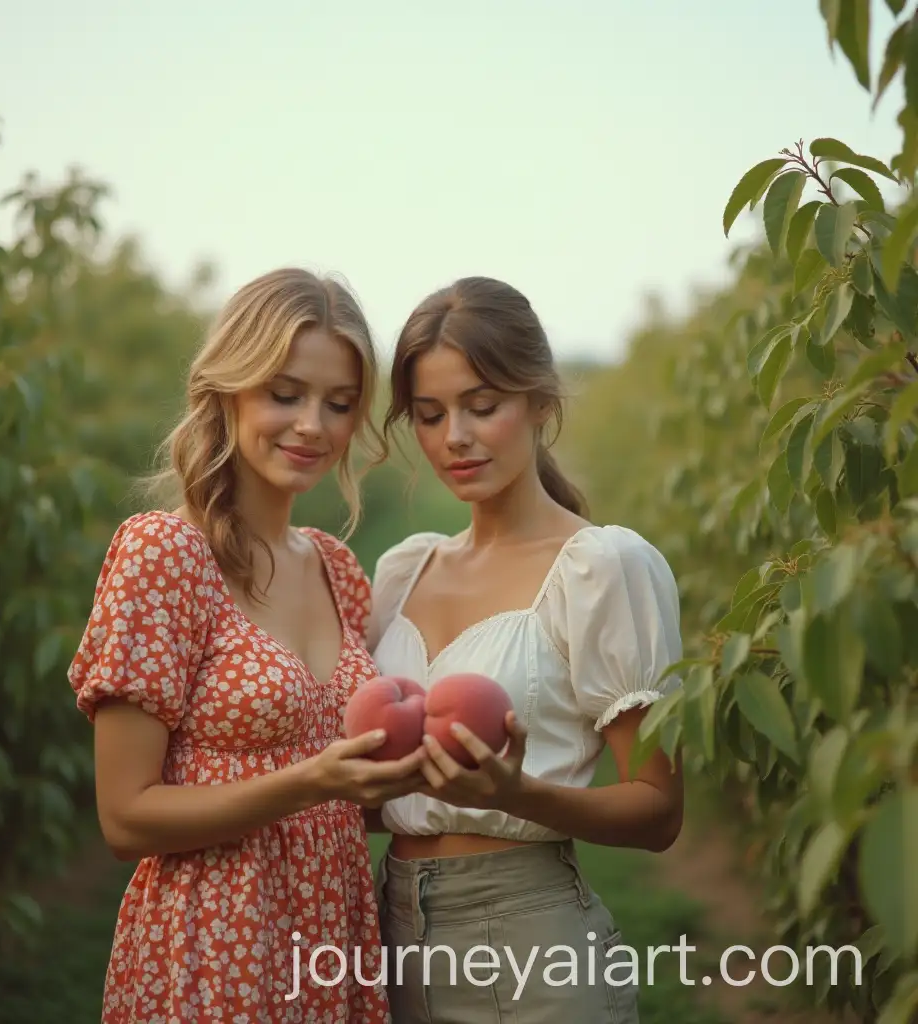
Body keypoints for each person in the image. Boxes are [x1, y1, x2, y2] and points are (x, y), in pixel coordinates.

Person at [67, 267, 428, 1024]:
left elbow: (339, 797)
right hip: (215, 944)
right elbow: (124, 818)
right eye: (285, 393)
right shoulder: (166, 554)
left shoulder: (337, 569)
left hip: (331, 943)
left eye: (338, 404)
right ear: (229, 389)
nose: (312, 426)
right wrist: (311, 782)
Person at [365, 276, 684, 1023]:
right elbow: (398, 801)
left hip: (531, 949)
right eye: (430, 414)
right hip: (388, 942)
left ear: (541, 400)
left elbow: (658, 810)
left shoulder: (599, 566)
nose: (456, 438)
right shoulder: (403, 572)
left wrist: (514, 795)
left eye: (483, 406)